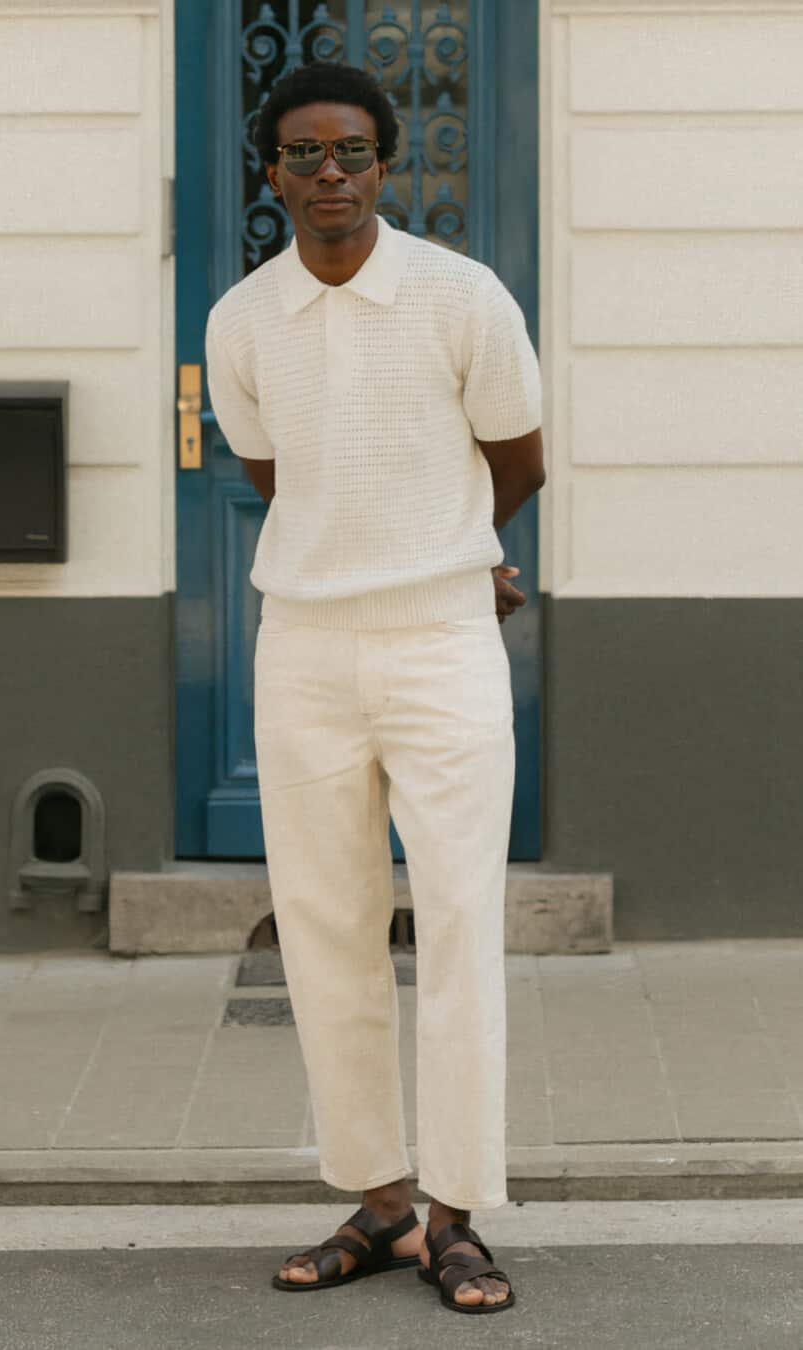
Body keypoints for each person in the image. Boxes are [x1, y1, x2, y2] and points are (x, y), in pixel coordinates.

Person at [204, 59, 545, 1316]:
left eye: (351, 152)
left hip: (442, 640)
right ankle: (381, 1200)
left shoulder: (461, 298)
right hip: (301, 647)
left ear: (386, 165)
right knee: (326, 925)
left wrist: (455, 549)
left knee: (457, 921)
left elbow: (518, 457)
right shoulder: (243, 320)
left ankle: (458, 1216)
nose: (330, 174)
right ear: (274, 172)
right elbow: (274, 475)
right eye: (305, 155)